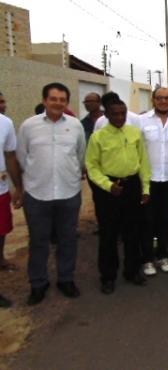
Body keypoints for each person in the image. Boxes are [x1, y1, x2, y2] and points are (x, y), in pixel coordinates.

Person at [17, 83, 86, 305]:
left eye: (62, 99)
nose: (58, 103)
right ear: (45, 100)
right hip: (37, 194)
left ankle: (66, 279)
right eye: (53, 99)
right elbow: (21, 156)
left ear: (67, 102)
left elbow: (80, 155)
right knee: (38, 241)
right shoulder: (29, 126)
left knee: (67, 239)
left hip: (69, 192)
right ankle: (38, 283)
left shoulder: (75, 126)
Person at [86, 98, 151, 294]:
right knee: (108, 234)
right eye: (115, 113)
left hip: (131, 186)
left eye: (123, 113)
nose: (120, 117)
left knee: (133, 231)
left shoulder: (135, 132)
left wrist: (146, 188)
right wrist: (107, 185)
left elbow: (144, 161)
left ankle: (132, 271)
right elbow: (92, 167)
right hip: (109, 189)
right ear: (106, 115)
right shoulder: (98, 137)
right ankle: (108, 276)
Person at [139, 88, 168, 276]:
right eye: (160, 98)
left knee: (164, 220)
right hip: (147, 181)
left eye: (167, 98)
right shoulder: (141, 121)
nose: (163, 101)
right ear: (153, 100)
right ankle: (147, 259)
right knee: (147, 221)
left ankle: (162, 256)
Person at [0, 106, 23, 308]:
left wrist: (18, 187)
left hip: (0, 190)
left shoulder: (5, 123)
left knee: (1, 232)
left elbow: (9, 156)